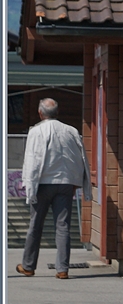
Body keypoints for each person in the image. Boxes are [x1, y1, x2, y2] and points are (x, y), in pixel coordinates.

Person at [17, 98, 91, 279]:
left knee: (35, 225)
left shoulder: (36, 131)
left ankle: (28, 266)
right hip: (65, 183)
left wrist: (29, 184)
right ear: (58, 112)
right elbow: (78, 158)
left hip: (42, 183)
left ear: (40, 113)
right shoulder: (71, 131)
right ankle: (62, 269)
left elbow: (32, 160)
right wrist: (76, 182)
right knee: (63, 226)